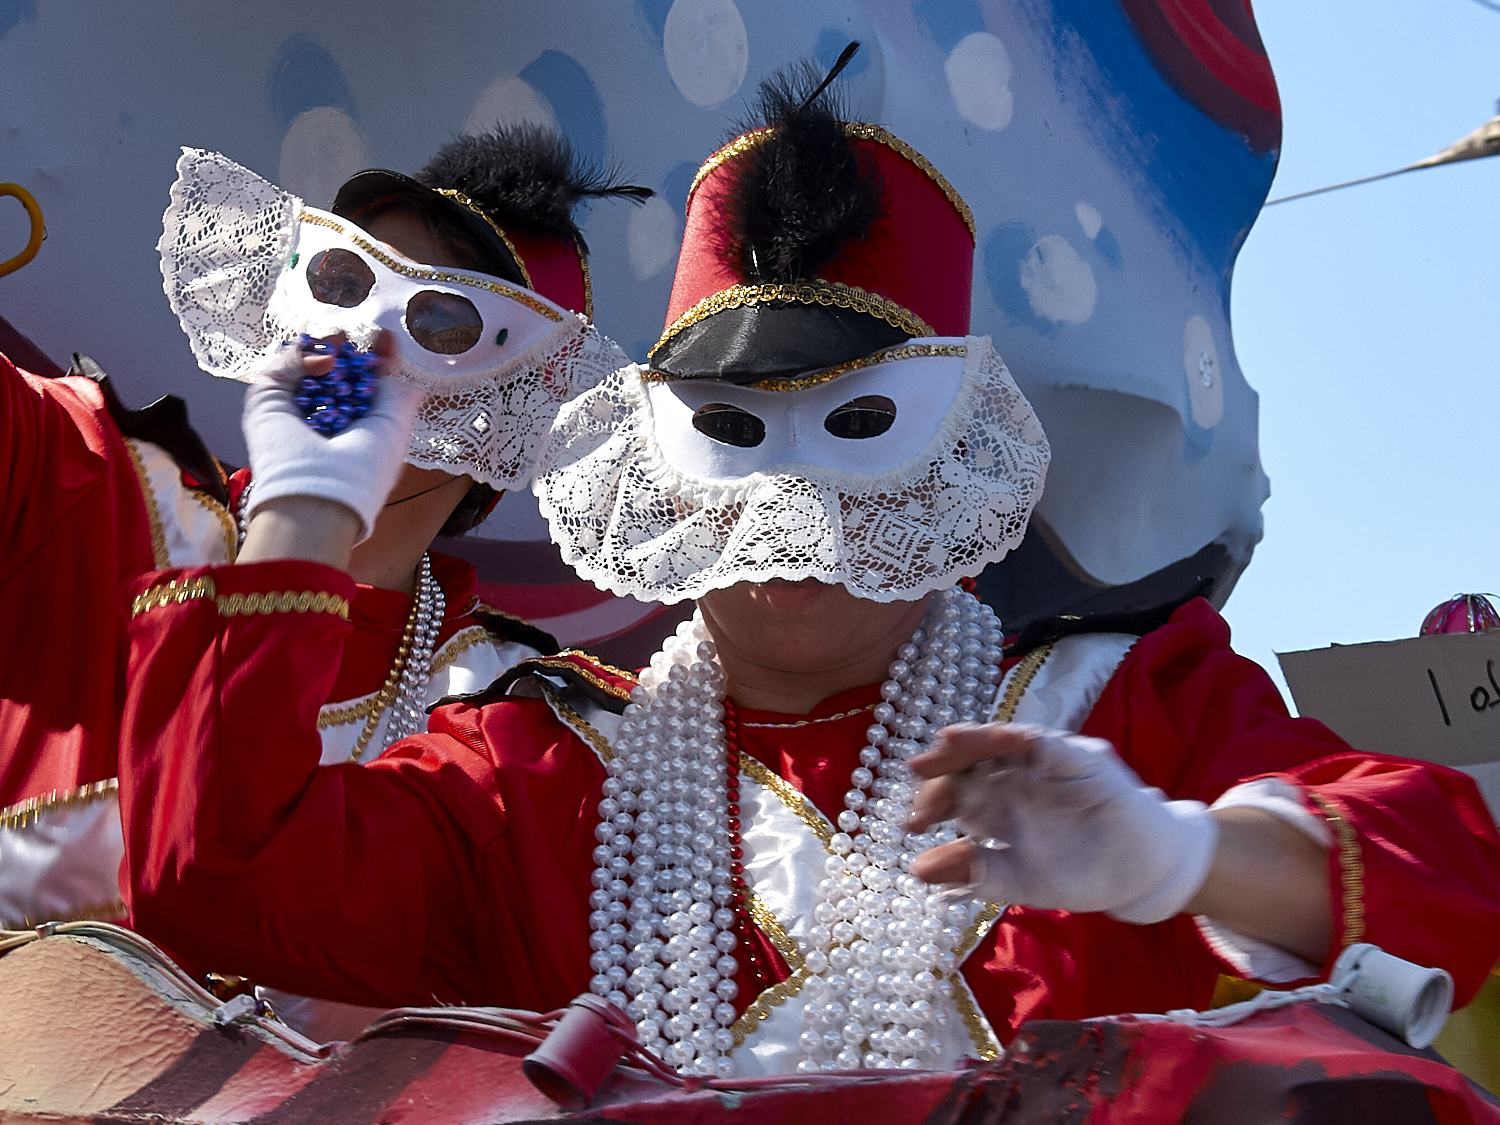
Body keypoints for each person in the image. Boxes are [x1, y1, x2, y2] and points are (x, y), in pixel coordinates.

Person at [118, 63, 1500, 1076]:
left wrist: (1182, 857)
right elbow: (215, 880)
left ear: (950, 460)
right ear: (660, 468)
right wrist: (312, 489)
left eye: (854, 432)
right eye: (734, 433)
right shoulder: (542, 771)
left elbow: (1452, 871)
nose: (791, 503)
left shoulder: (1121, 706)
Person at [0, 127, 642, 945]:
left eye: (442, 323)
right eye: (343, 281)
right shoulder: (91, 486)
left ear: (511, 410)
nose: (363, 344)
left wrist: (316, 507)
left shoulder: (513, 721)